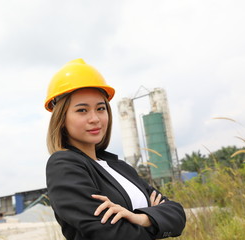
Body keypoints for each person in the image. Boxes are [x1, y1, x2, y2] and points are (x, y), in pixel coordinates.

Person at [45, 58, 186, 240]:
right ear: (61, 119)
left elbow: (177, 214)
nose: (95, 118)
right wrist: (155, 218)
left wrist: (141, 218)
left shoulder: (120, 167)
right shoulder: (63, 166)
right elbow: (111, 234)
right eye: (82, 110)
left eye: (101, 108)